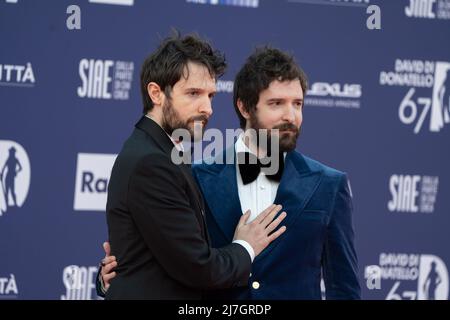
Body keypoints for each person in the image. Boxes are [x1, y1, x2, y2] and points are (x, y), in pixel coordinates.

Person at [100, 46, 360, 300]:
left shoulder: (329, 184)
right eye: (277, 103)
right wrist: (114, 275)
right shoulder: (196, 175)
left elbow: (344, 287)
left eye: (298, 103)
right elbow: (178, 257)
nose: (291, 115)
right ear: (245, 108)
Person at [100, 33, 287, 299]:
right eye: (194, 93)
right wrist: (247, 245)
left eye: (211, 95)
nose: (207, 108)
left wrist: (119, 274)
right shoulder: (152, 162)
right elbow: (197, 267)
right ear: (156, 93)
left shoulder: (165, 152)